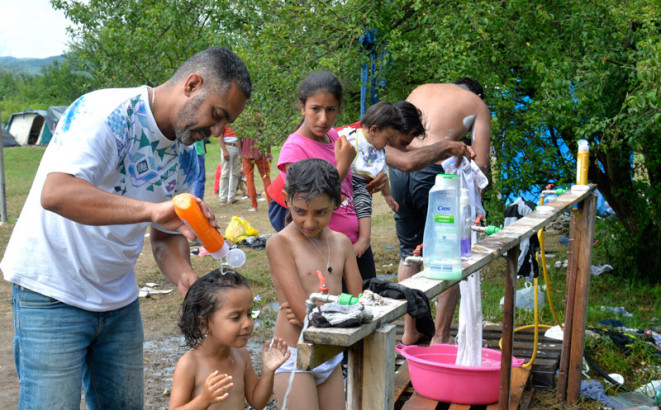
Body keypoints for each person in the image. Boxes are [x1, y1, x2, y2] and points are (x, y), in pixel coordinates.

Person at [0, 46, 251, 409]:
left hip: (118, 302)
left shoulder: (185, 152)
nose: (217, 131)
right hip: (50, 292)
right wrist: (152, 210)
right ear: (192, 84)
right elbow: (56, 193)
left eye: (224, 123)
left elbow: (166, 234)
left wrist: (185, 278)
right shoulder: (105, 113)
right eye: (216, 115)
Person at [389, 78, 491, 345]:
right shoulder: (477, 104)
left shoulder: (420, 90)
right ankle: (441, 336)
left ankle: (411, 331)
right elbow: (480, 165)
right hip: (434, 172)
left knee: (410, 253)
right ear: (478, 94)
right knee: (450, 251)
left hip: (400, 168)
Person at [265, 158, 362, 410]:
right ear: (286, 199)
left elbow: (360, 301)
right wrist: (339, 309)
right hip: (293, 355)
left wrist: (323, 311)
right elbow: (301, 313)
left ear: (337, 203)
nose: (309, 222)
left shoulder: (342, 243)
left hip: (328, 354)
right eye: (300, 211)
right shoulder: (280, 244)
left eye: (321, 212)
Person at [273, 71, 380, 281]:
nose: (323, 119)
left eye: (331, 110)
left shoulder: (332, 137)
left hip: (354, 244)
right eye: (315, 109)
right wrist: (343, 164)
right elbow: (311, 200)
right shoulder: (294, 150)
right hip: (325, 250)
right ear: (302, 107)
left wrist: (370, 180)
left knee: (367, 307)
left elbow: (347, 188)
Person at [169, 269, 290, 410]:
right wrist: (203, 400)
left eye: (249, 314)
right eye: (236, 317)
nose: (248, 323)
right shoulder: (189, 364)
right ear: (204, 324)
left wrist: (268, 371)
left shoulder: (241, 355)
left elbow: (257, 402)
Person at [336, 101, 403, 258]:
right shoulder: (351, 137)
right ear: (374, 130)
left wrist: (387, 196)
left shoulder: (379, 149)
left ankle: (364, 240)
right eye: (387, 138)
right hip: (342, 181)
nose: (388, 144)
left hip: (360, 185)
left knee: (363, 204)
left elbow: (382, 174)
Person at [240, 122, 272, 212]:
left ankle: (254, 206)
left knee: (249, 178)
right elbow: (266, 136)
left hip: (246, 153)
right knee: (266, 177)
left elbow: (239, 138)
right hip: (259, 152)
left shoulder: (243, 119)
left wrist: (240, 153)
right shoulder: (260, 118)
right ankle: (271, 204)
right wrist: (269, 152)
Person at [219, 125, 242, 205]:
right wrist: (224, 150)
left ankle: (231, 197)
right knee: (225, 172)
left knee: (235, 173)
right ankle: (223, 198)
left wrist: (240, 152)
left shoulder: (238, 121)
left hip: (236, 146)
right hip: (228, 145)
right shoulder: (225, 121)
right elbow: (220, 135)